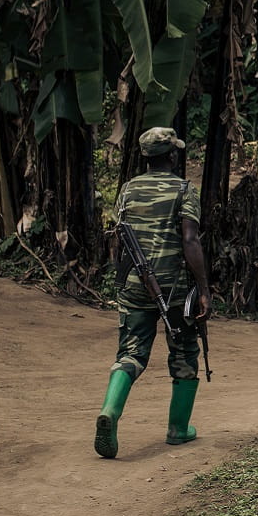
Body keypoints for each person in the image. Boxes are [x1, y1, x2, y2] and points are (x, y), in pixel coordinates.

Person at [95, 126, 210, 459]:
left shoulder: (128, 190)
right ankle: (178, 429)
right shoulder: (184, 190)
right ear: (172, 155)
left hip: (135, 285)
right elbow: (190, 240)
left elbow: (119, 240)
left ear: (145, 157)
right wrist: (203, 288)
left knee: (130, 354)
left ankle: (110, 412)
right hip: (174, 289)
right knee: (185, 351)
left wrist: (122, 282)